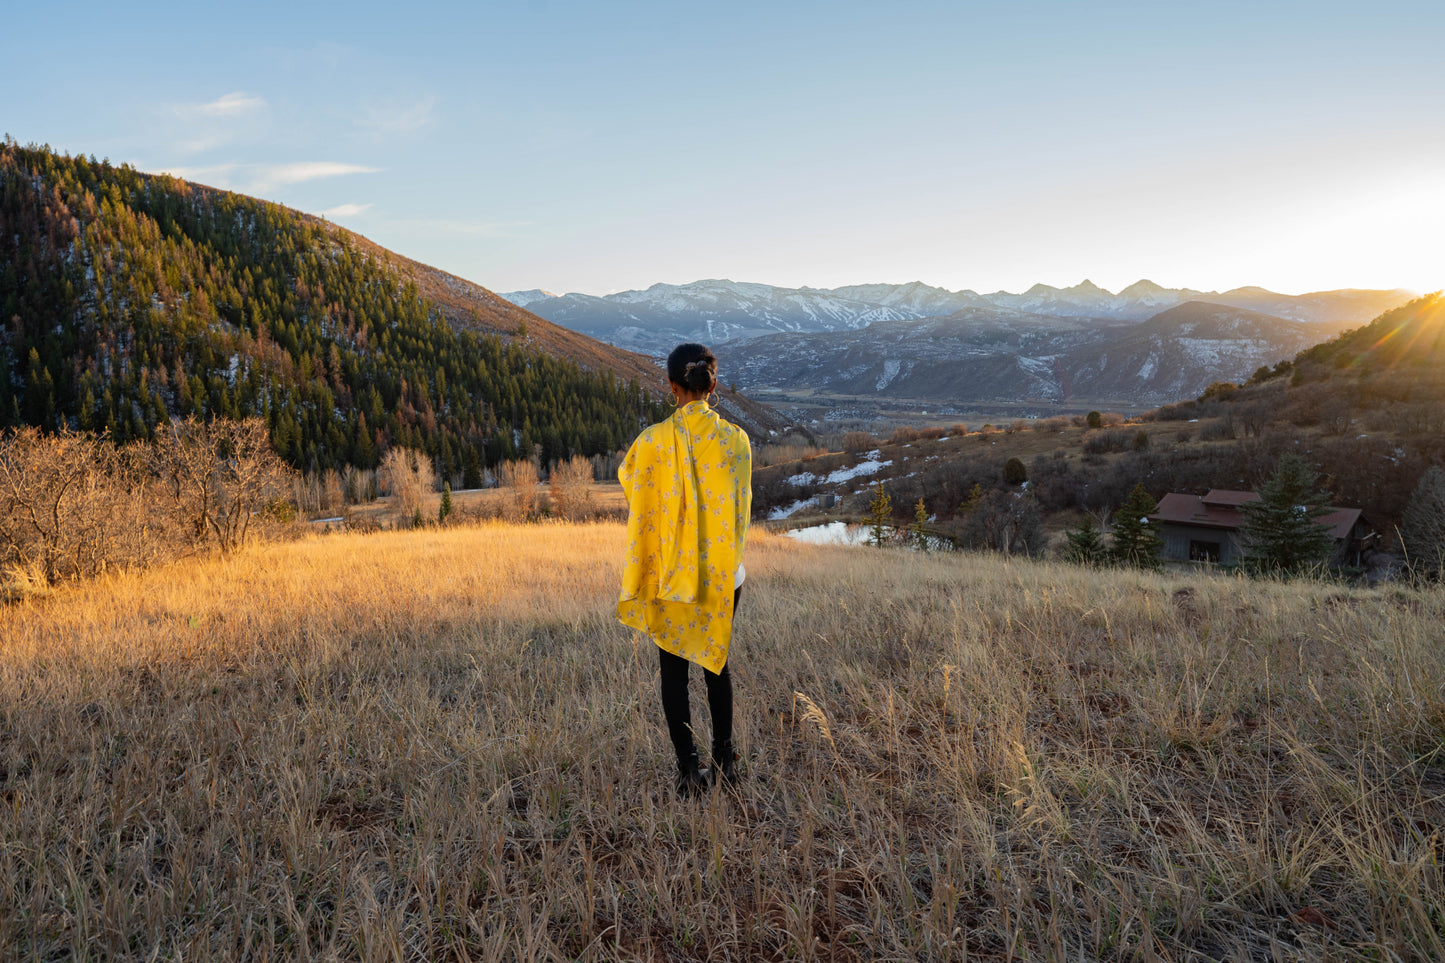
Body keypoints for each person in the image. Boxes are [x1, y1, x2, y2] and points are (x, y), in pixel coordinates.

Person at [617, 343, 752, 797]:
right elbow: (741, 511)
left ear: (671, 387)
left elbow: (634, 488)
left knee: (673, 670)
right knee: (717, 663)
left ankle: (687, 771)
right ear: (713, 386)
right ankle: (726, 764)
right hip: (722, 575)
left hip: (670, 575)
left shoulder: (651, 443)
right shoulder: (737, 441)